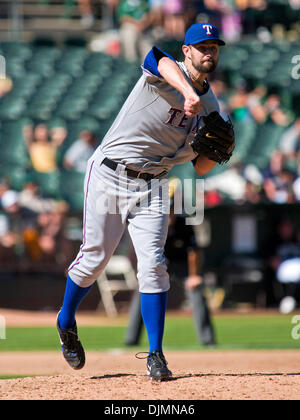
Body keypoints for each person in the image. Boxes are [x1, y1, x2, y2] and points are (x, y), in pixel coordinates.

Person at [56, 22, 227, 381]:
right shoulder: (165, 72)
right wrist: (187, 93)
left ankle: (155, 355)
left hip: (153, 184)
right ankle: (66, 320)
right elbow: (155, 57)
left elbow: (200, 168)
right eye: (203, 47)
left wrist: (220, 147)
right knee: (94, 259)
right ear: (187, 51)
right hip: (109, 174)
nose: (209, 52)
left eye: (214, 47)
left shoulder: (213, 107)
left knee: (153, 266)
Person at [125, 181, 216, 347]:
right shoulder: (152, 223)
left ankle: (208, 340)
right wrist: (143, 273)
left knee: (196, 292)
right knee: (142, 291)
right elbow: (142, 249)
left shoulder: (184, 223)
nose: (169, 214)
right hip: (159, 262)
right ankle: (131, 340)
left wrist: (194, 276)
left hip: (182, 266)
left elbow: (193, 251)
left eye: (172, 210)